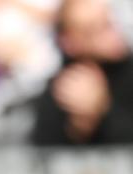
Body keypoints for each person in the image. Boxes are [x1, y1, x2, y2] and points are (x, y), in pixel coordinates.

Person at [30, 0, 133, 146]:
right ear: (69, 42)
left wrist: (103, 109)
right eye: (96, 29)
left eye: (109, 22)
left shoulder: (129, 73)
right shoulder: (60, 89)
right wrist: (80, 125)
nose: (113, 34)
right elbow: (43, 152)